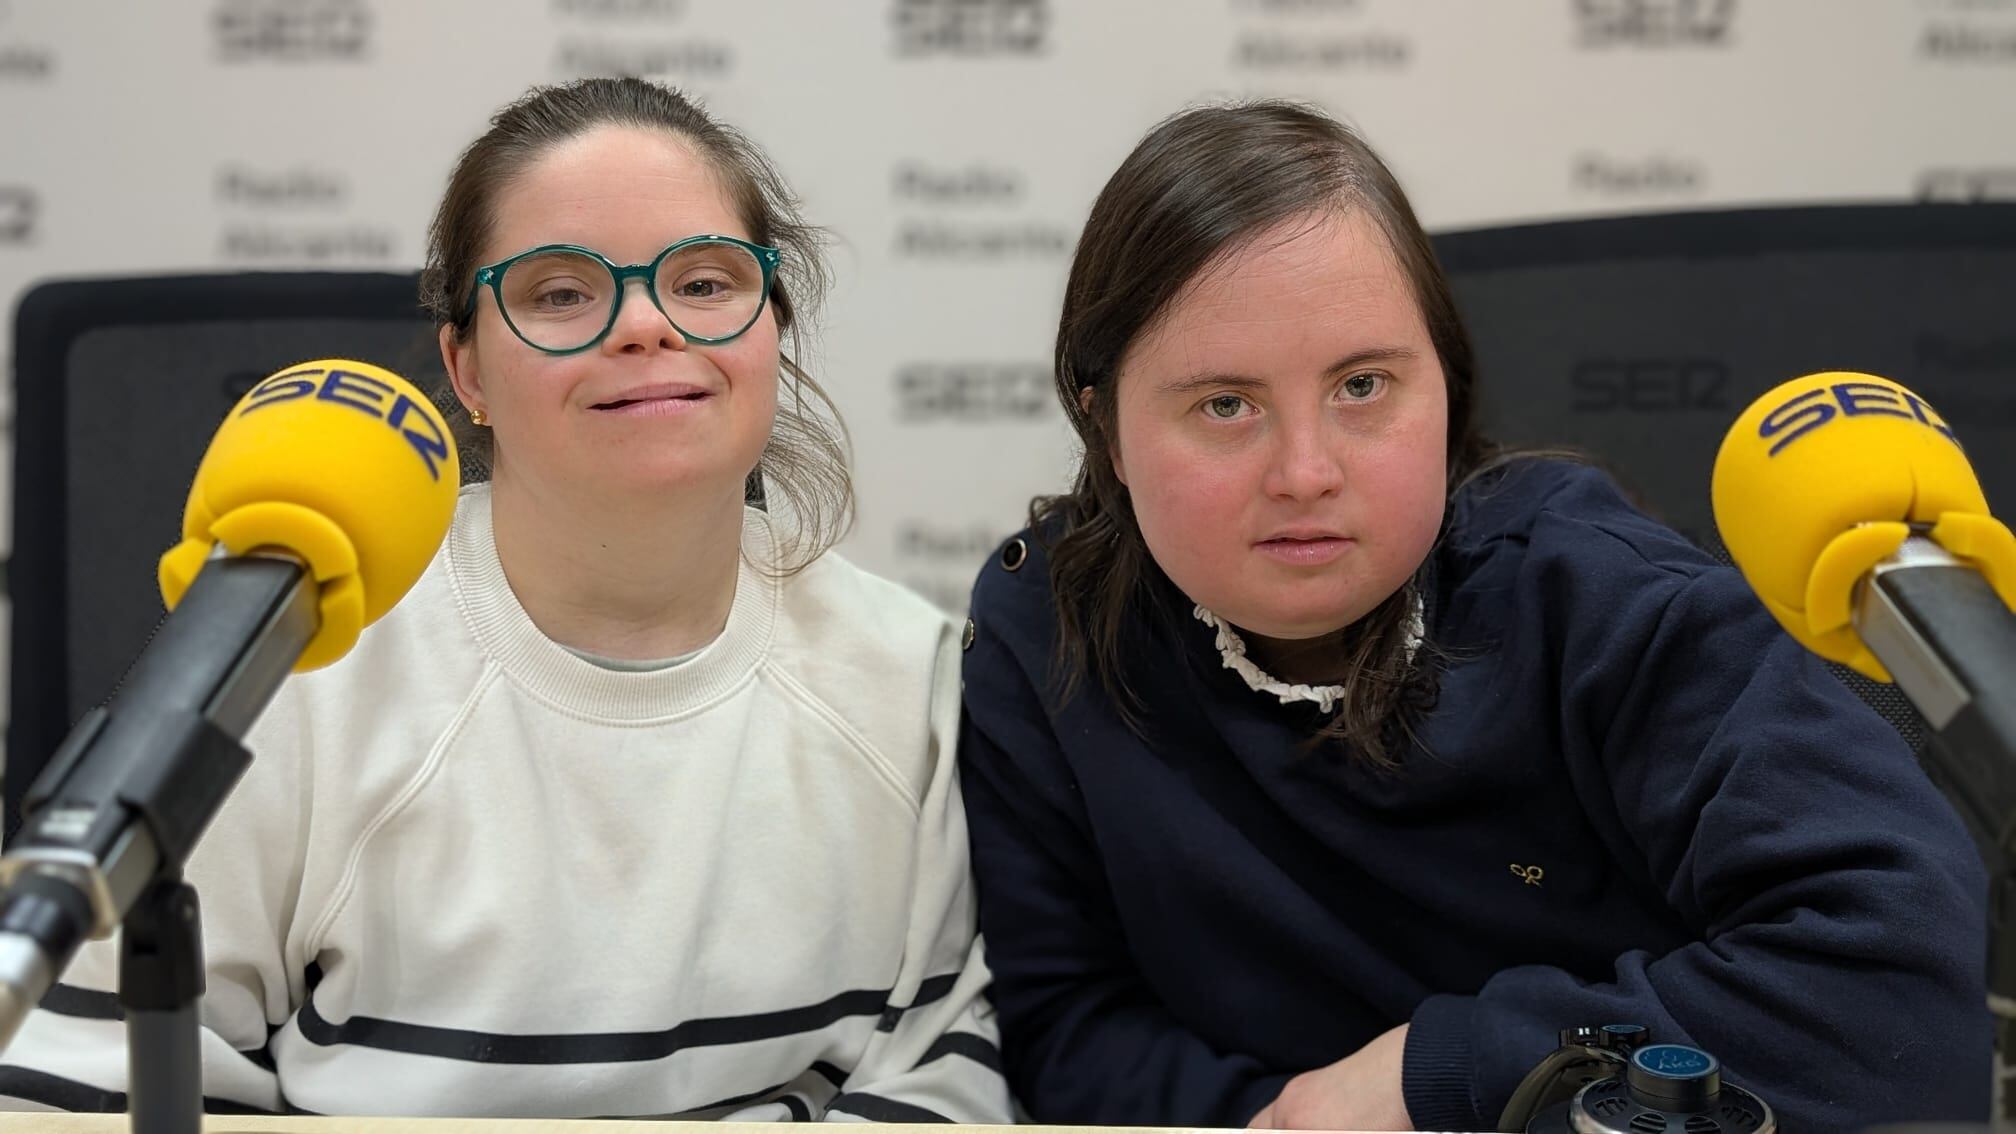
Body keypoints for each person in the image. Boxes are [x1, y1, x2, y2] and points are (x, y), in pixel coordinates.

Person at [958, 99, 1990, 1132]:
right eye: (1226, 405)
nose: (1307, 473)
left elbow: (1902, 994)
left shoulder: (1603, 599)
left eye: (1363, 386)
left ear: (1446, 388)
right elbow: (1066, 1037)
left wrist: (1440, 1077)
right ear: (1105, 427)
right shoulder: (1039, 629)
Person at [0, 77, 1011, 1123]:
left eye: (706, 282)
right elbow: (70, 1088)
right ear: (465, 368)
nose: (645, 324)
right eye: (562, 292)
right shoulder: (305, 665)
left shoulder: (910, 680)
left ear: (773, 330)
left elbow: (945, 1084)